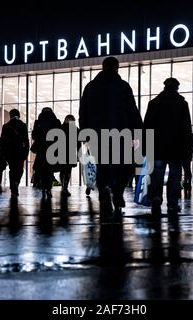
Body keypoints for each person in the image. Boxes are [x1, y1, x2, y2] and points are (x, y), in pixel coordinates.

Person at [79, 56, 143, 216]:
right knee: (124, 166)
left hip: (96, 135)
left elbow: (83, 112)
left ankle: (104, 192)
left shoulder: (90, 87)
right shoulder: (123, 87)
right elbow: (132, 111)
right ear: (116, 68)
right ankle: (118, 192)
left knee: (103, 166)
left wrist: (85, 132)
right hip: (121, 134)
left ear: (103, 67)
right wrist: (138, 132)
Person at [144, 78, 192, 216]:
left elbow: (147, 126)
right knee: (175, 176)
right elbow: (186, 128)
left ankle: (156, 199)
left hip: (158, 147)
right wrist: (187, 148)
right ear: (177, 88)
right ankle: (172, 203)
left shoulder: (154, 103)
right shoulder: (182, 104)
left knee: (157, 175)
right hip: (176, 148)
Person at [31, 107, 61, 199]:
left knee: (42, 169)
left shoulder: (38, 122)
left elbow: (34, 136)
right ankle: (48, 188)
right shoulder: (56, 122)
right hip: (52, 149)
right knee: (50, 170)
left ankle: (43, 188)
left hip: (41, 149)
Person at [0, 109, 29, 198]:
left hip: (10, 153)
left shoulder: (6, 126)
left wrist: (3, 153)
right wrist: (26, 152)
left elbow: (2, 141)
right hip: (20, 152)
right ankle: (15, 183)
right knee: (20, 170)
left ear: (10, 115)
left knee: (12, 170)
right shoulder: (23, 125)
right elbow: (26, 140)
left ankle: (13, 186)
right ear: (19, 115)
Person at [59, 115, 81, 197]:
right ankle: (65, 187)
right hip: (71, 152)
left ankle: (63, 186)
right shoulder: (75, 129)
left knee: (62, 170)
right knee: (68, 170)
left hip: (61, 152)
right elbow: (79, 144)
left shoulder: (60, 128)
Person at [182, 132, 193, 198]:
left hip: (161, 153)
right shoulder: (190, 141)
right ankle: (187, 183)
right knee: (187, 169)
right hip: (187, 155)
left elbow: (149, 133)